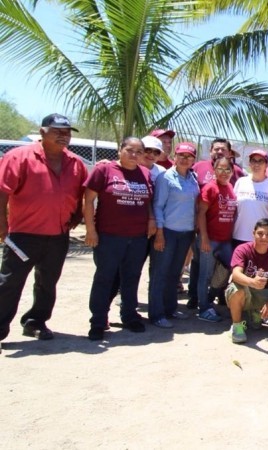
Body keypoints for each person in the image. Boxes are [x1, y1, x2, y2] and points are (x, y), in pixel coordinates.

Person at [0, 113, 87, 345]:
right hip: (23, 235)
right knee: (10, 282)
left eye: (67, 132)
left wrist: (77, 215)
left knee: (47, 282)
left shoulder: (76, 163)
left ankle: (35, 322)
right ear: (42, 132)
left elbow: (80, 196)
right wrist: (1, 224)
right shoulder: (18, 157)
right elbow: (2, 191)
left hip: (58, 235)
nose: (64, 136)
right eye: (57, 131)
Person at [83, 137, 155, 340]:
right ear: (120, 150)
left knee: (131, 278)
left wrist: (150, 219)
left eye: (139, 152)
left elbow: (148, 200)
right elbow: (88, 200)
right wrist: (91, 230)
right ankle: (98, 320)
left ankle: (129, 315)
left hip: (138, 237)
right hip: (109, 236)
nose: (134, 155)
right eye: (130, 150)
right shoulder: (104, 170)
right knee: (105, 277)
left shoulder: (146, 174)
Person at [147, 142, 199, 328]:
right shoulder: (166, 177)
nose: (185, 159)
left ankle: (170, 309)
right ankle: (156, 314)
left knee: (174, 273)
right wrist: (159, 233)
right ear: (175, 157)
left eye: (189, 156)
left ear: (194, 160)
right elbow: (158, 206)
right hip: (167, 232)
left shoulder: (193, 179)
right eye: (182, 155)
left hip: (185, 233)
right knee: (160, 273)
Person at [225, 219, 268, 344]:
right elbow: (236, 274)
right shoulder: (242, 249)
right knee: (235, 290)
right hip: (245, 291)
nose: (264, 237)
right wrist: (253, 282)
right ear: (253, 233)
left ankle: (255, 312)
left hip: (263, 293)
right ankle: (237, 326)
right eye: (260, 233)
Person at [195, 157, 238, 323]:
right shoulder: (210, 188)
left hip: (225, 240)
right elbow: (201, 213)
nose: (224, 172)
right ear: (214, 169)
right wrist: (204, 238)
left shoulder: (230, 188)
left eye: (228, 169)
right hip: (210, 239)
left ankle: (209, 298)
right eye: (220, 168)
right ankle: (203, 308)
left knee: (227, 269)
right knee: (204, 275)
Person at [232, 149, 268, 246]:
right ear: (249, 164)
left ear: (266, 164)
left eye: (261, 161)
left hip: (263, 239)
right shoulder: (241, 182)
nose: (257, 164)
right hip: (239, 236)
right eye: (253, 161)